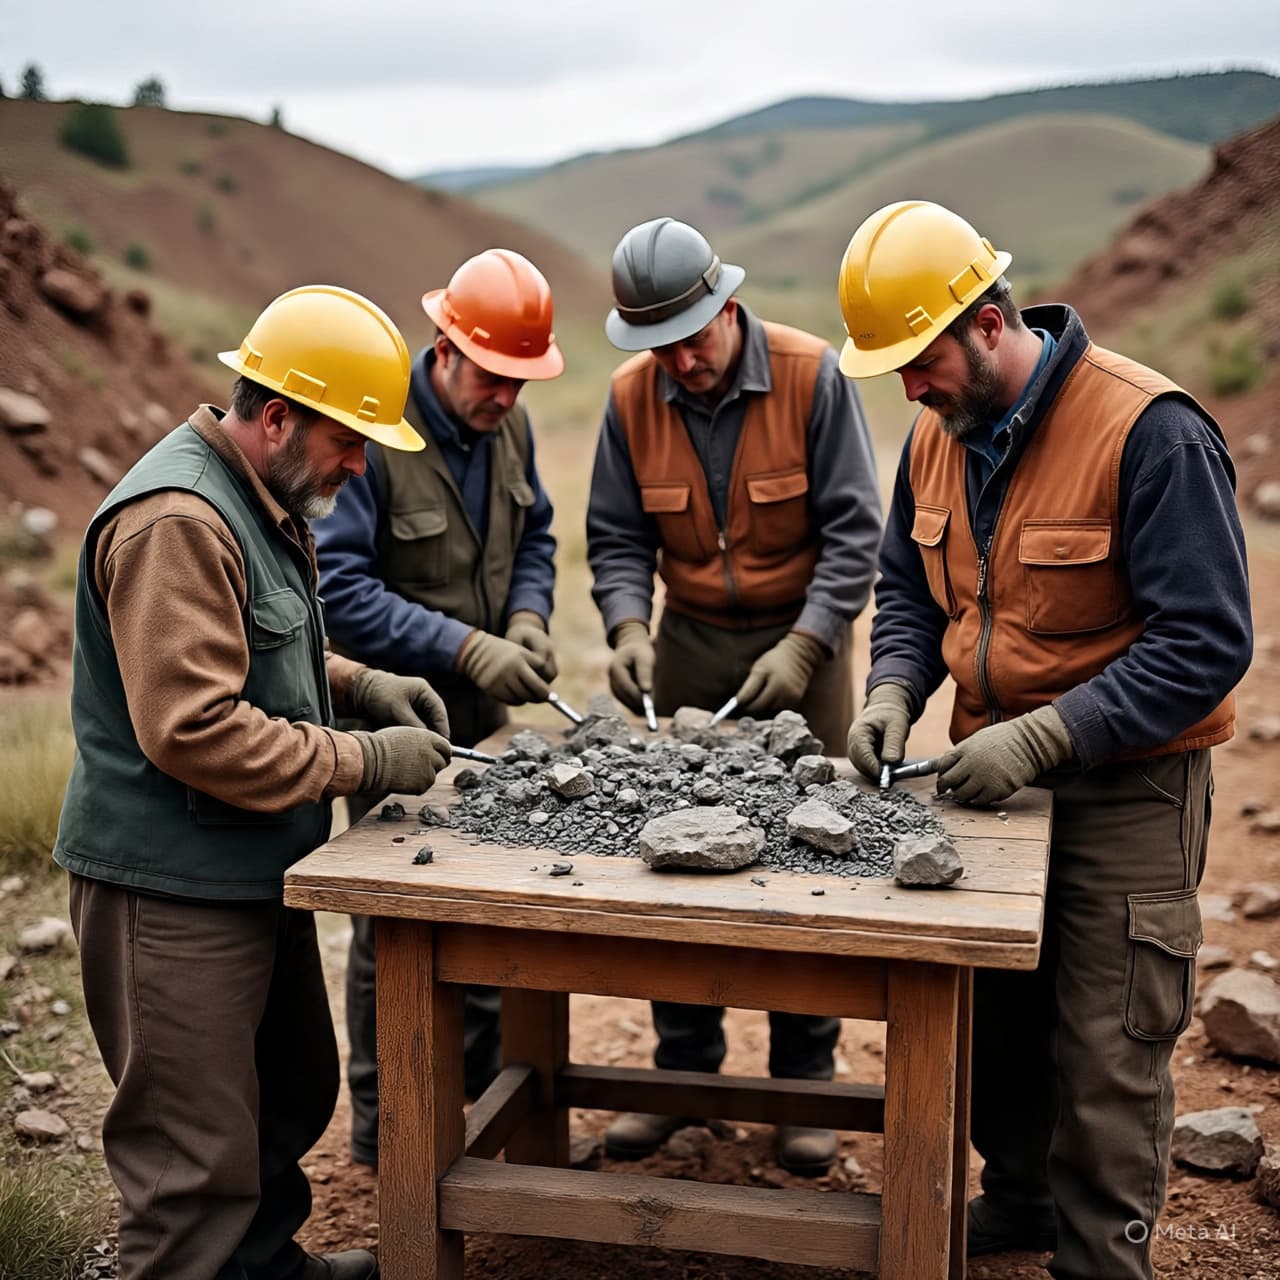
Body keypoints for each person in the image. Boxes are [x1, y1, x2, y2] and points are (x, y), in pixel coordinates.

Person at [838, 200, 1252, 1279]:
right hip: (992, 783)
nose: (908, 391)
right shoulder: (937, 434)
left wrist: (1045, 735)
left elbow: (1206, 641)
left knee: (1107, 1043)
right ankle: (1018, 1200)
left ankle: (1097, 1257)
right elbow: (906, 595)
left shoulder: (1147, 428)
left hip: (1127, 786)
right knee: (1003, 1021)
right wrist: (891, 686)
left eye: (917, 361)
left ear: (983, 321)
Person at [54, 285, 455, 1280]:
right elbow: (192, 724)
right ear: (277, 415)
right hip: (167, 883)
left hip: (243, 864)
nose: (361, 465)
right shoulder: (177, 519)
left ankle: (268, 1266)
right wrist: (367, 759)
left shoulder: (258, 493)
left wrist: (363, 681)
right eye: (349, 440)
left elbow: (256, 643)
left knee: (284, 1095)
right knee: (192, 1160)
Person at [586, 216, 882, 1175]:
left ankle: (805, 1088)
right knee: (673, 859)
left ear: (729, 306)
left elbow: (855, 532)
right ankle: (683, 1084)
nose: (680, 360)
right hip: (690, 648)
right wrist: (629, 626)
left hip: (807, 648)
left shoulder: (811, 375)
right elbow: (618, 535)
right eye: (659, 346)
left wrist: (805, 648)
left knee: (811, 858)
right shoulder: (632, 398)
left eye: (693, 338)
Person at [313, 249, 562, 1167]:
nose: (506, 398)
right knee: (398, 924)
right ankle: (390, 1131)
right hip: (387, 709)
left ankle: (483, 1101)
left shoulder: (511, 426)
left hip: (490, 709)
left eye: (521, 381)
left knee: (492, 906)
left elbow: (535, 531)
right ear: (445, 348)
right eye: (494, 378)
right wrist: (463, 645)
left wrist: (528, 617)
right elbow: (336, 587)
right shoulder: (375, 429)